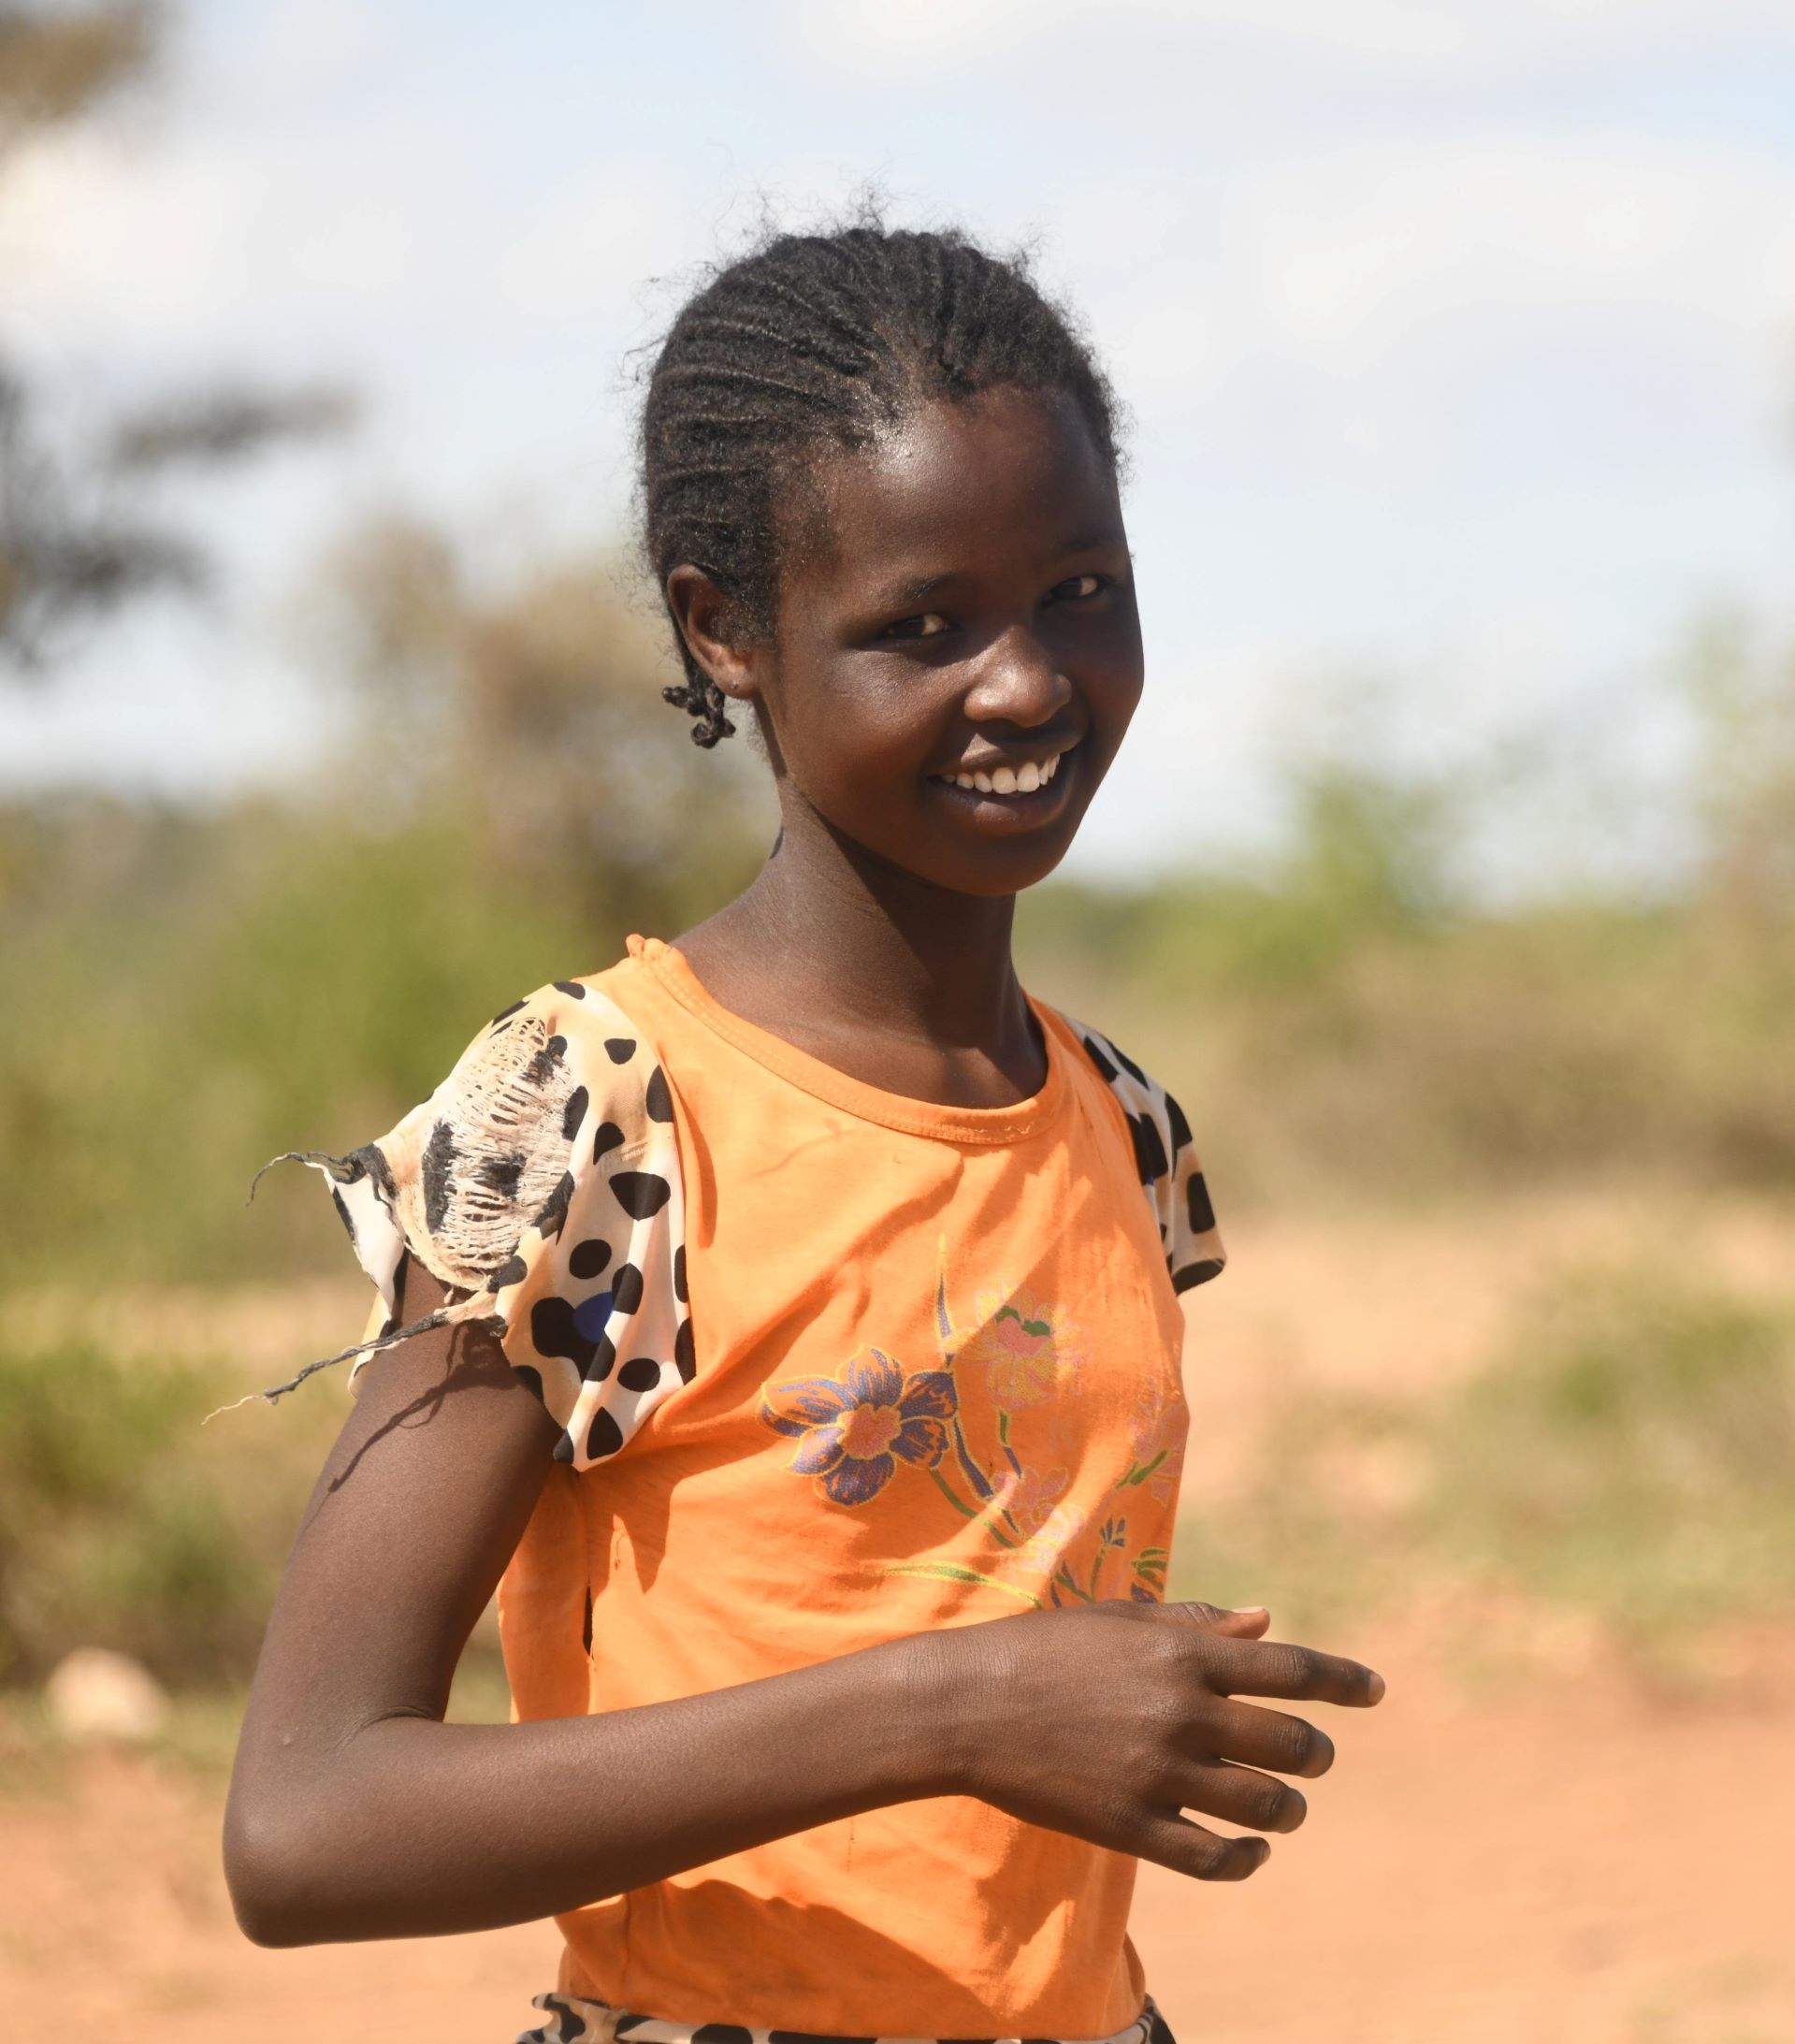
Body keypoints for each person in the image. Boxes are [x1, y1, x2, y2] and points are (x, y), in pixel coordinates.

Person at [223, 220, 1385, 2044]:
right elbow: (303, 1822)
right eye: (920, 626)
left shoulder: (1117, 1119)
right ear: (727, 631)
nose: (1023, 682)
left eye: (1079, 589)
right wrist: (951, 1708)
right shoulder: (599, 1116)